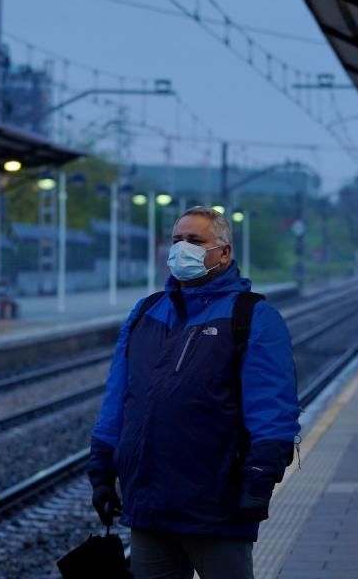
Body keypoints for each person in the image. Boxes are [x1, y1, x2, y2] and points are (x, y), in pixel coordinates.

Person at [87, 206, 300, 579]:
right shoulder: (145, 312)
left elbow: (272, 405)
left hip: (215, 503)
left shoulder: (252, 316)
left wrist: (261, 475)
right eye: (177, 241)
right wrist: (102, 468)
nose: (182, 248)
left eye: (195, 240)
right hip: (149, 501)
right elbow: (119, 397)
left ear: (224, 252)